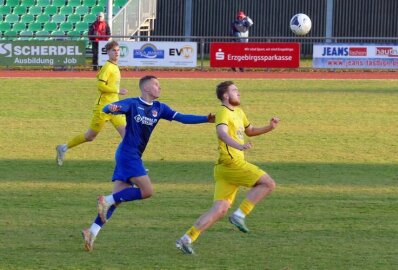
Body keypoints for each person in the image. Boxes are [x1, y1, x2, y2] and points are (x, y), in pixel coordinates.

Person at [81, 75, 215, 252]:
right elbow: (110, 107)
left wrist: (205, 119)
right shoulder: (132, 103)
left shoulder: (160, 108)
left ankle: (92, 231)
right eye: (156, 85)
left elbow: (182, 117)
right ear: (146, 88)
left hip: (130, 155)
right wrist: (111, 108)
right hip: (128, 155)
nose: (160, 87)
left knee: (119, 198)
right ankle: (105, 200)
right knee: (147, 191)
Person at [176, 81, 279, 254]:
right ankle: (239, 215)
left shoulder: (239, 112)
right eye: (234, 90)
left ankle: (187, 239)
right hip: (232, 163)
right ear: (225, 95)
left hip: (224, 169)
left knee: (220, 209)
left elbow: (250, 130)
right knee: (268, 184)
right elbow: (222, 133)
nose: (238, 93)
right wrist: (238, 146)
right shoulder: (223, 112)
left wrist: (270, 127)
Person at [55, 40, 128, 166]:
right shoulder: (108, 67)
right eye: (113, 51)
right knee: (90, 137)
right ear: (108, 53)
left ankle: (132, 164)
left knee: (127, 136)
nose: (116, 53)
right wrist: (117, 91)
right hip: (104, 108)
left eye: (118, 50)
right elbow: (100, 86)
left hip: (115, 108)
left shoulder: (114, 66)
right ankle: (63, 148)